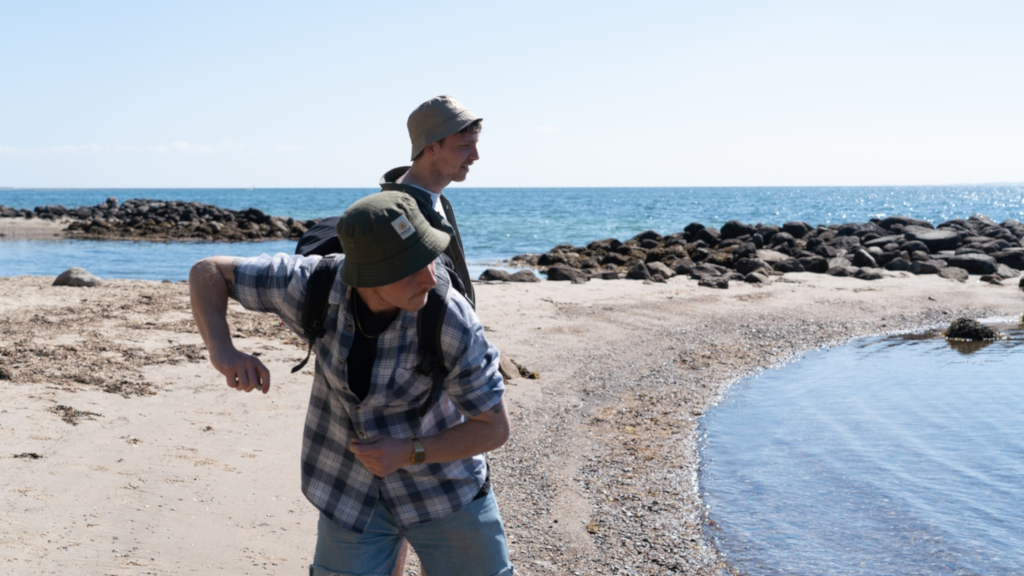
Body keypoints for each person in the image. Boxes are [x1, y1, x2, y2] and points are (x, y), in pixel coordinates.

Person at [189, 192, 513, 576]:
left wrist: (410, 452)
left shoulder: (450, 317)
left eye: (428, 257)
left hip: (446, 490)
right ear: (366, 274)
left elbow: (494, 428)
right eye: (409, 268)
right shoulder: (315, 285)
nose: (429, 277)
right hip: (350, 493)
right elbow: (209, 270)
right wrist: (221, 349)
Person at [296, 94, 482, 309]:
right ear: (431, 148)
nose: (475, 155)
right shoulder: (399, 214)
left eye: (475, 144)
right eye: (465, 145)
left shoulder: (435, 199)